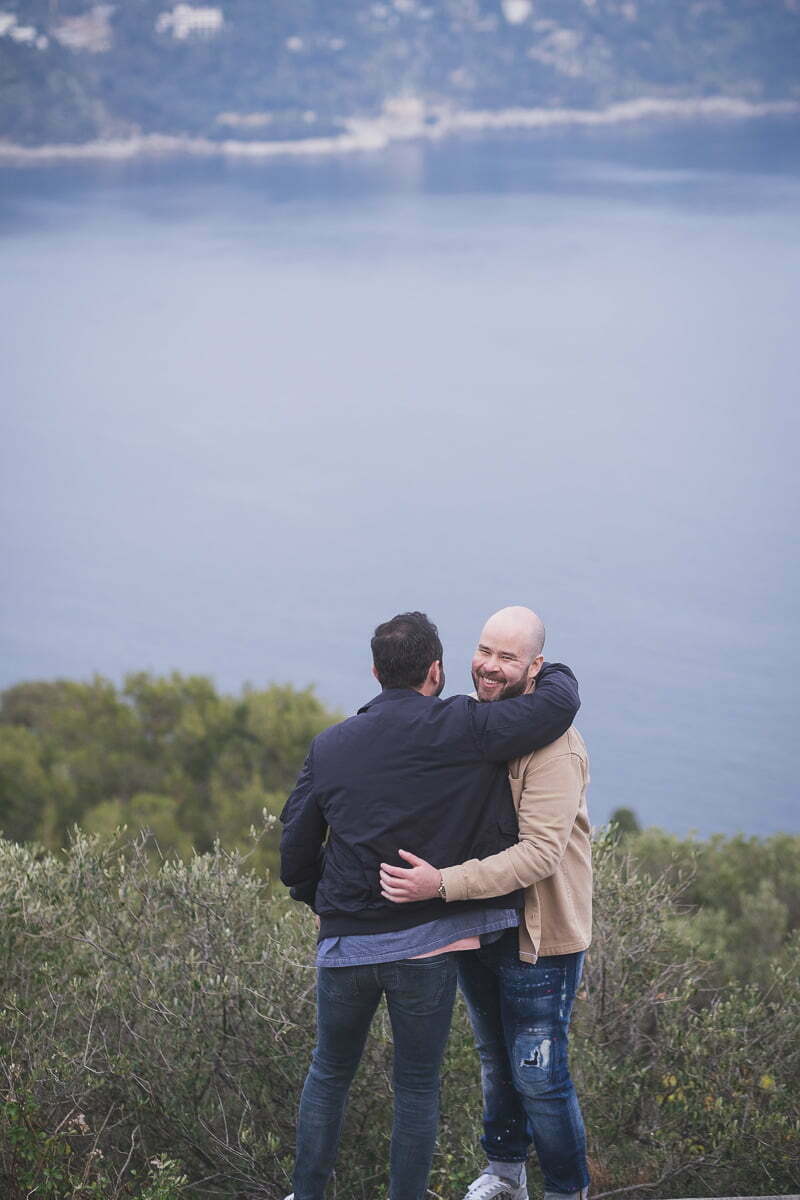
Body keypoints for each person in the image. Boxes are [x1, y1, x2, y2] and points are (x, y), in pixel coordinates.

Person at [280, 611, 580, 1200]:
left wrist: (321, 899)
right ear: (437, 670)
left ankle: (306, 1194)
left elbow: (295, 844)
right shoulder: (465, 727)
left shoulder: (331, 744)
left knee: (328, 1072)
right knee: (416, 1086)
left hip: (345, 945)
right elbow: (553, 707)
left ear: (373, 671)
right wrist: (558, 673)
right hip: (428, 946)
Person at [380, 606, 592, 1200]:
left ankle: (567, 1191)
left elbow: (539, 857)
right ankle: (505, 1174)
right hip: (479, 926)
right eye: (484, 651)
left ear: (536, 667)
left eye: (507, 657)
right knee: (495, 1061)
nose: (490, 668)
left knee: (540, 1076)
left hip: (537, 938)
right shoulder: (478, 725)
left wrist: (440, 884)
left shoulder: (556, 748)